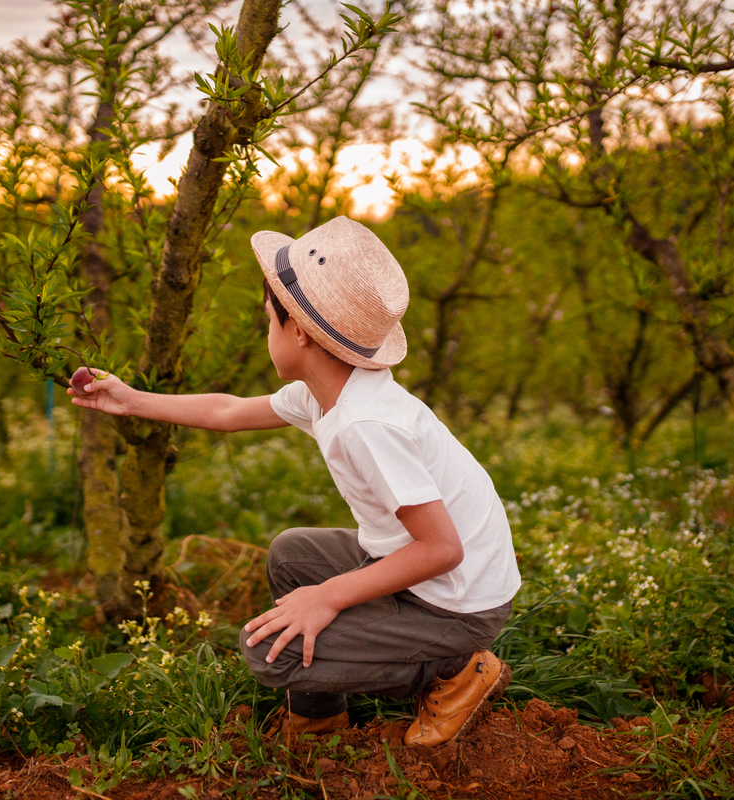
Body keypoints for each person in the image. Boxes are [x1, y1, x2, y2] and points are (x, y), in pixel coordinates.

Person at [68, 216, 521, 747]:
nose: (268, 332)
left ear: (299, 332)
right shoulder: (329, 391)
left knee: (270, 653)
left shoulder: (367, 423)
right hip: (430, 575)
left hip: (458, 604)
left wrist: (328, 597)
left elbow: (442, 549)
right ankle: (319, 718)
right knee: (292, 554)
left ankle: (457, 671)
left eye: (269, 321)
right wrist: (130, 400)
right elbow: (228, 411)